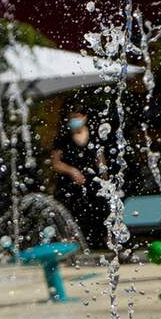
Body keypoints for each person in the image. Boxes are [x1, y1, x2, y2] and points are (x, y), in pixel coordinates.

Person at [50, 107, 109, 251]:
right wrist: (71, 171)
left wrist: (105, 181)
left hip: (92, 185)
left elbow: (101, 161)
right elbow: (55, 163)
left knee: (100, 214)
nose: (73, 121)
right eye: (71, 118)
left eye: (76, 117)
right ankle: (71, 250)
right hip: (69, 187)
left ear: (85, 117)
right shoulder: (63, 138)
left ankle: (107, 245)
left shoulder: (95, 135)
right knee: (70, 218)